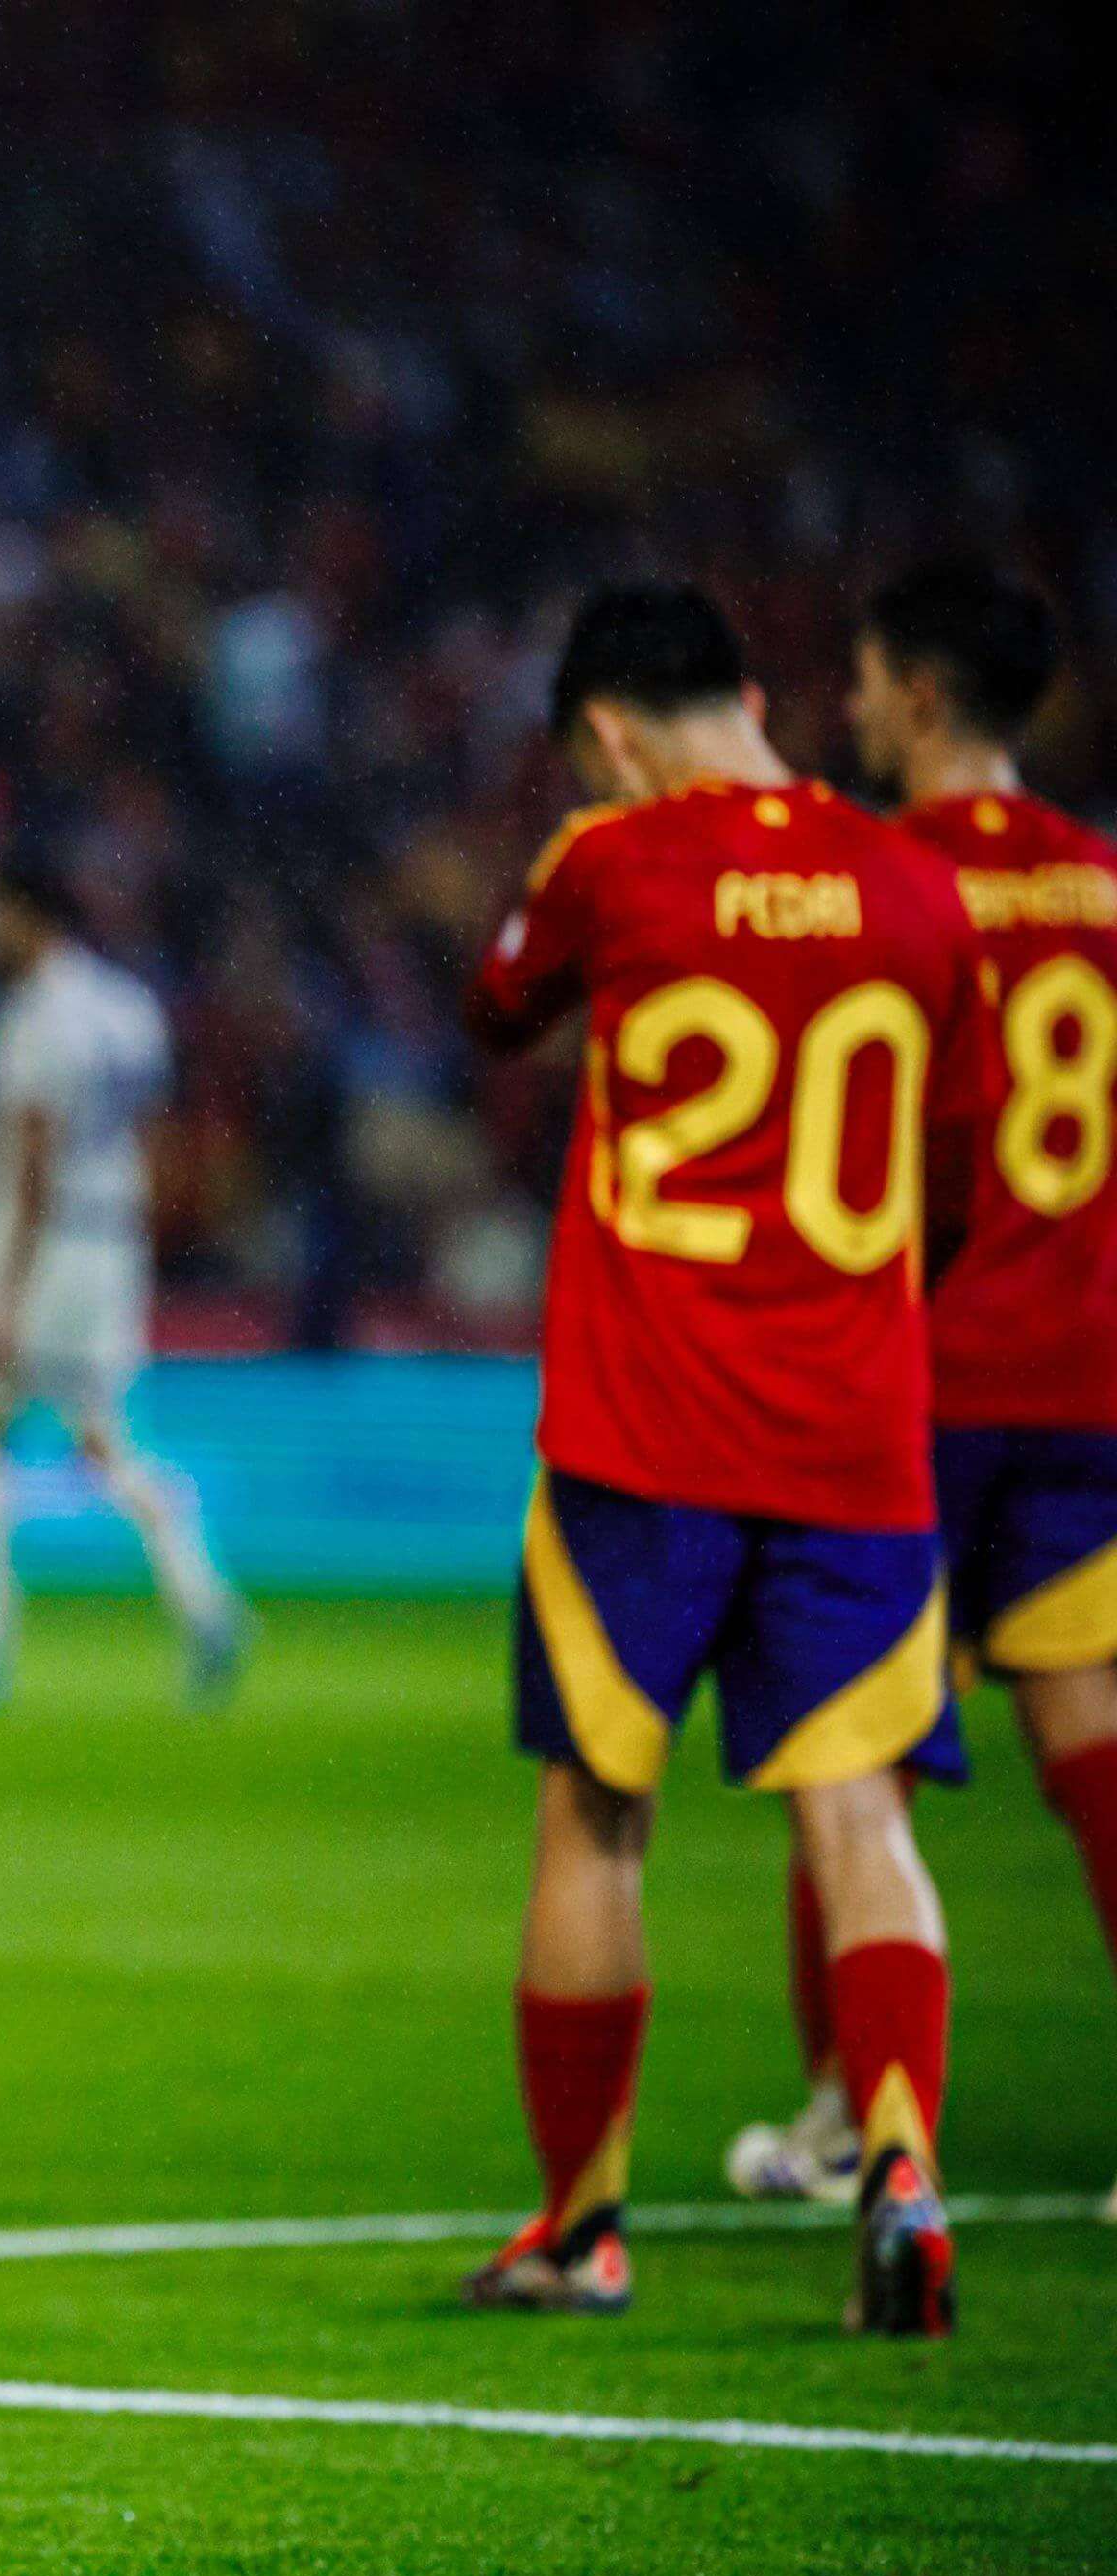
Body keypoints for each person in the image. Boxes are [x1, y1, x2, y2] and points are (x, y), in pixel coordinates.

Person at [459, 582, 986, 2335]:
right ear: (755, 696)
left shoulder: (612, 863)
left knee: (597, 1812)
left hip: (645, 1431)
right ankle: (901, 2166)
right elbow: (957, 1183)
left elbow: (496, 1004)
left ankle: (582, 2224)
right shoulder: (916, 883)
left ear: (608, 733)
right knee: (859, 1810)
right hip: (854, 1435)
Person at [729, 558, 1117, 2224]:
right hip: (1087, 1372)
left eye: (872, 680)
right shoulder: (1104, 884)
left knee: (849, 1749)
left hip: (916, 1373)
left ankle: (849, 2108)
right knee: (1089, 1731)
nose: (855, 706)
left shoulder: (882, 883)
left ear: (925, 695)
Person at [0, 870, 241, 1709]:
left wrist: (5, 1292)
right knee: (104, 1439)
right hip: (112, 1240)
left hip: (41, 1245)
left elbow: (34, 1156)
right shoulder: (131, 1007)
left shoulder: (30, 1019)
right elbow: (159, 1137)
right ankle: (204, 1600)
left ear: (30, 913)